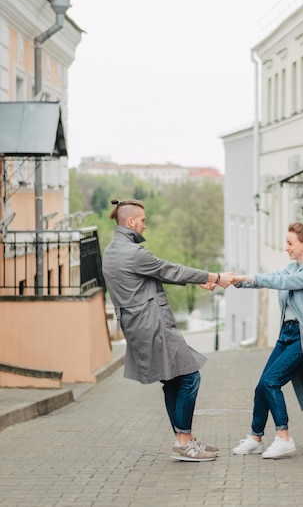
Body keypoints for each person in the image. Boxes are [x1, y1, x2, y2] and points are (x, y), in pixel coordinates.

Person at [102, 198, 234, 462]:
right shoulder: (134, 253)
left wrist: (198, 282)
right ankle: (184, 442)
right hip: (153, 326)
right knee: (189, 377)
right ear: (131, 222)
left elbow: (156, 275)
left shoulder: (112, 250)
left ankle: (185, 440)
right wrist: (214, 278)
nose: (145, 225)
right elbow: (170, 269)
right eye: (143, 221)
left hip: (138, 327)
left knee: (173, 379)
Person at [231, 222, 303, 459]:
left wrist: (248, 277)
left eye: (290, 243)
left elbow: (282, 283)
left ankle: (283, 438)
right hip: (286, 335)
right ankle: (255, 438)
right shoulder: (290, 268)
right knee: (262, 385)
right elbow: (272, 277)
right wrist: (234, 280)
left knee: (271, 382)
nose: (286, 247)